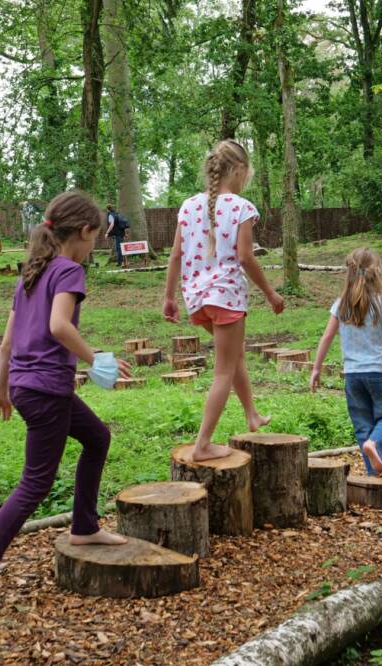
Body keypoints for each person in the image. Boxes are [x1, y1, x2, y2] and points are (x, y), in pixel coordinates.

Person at [0, 191, 131, 610]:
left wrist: (1, 390)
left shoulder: (31, 275)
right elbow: (58, 326)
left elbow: (5, 344)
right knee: (35, 483)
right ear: (84, 232)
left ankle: (85, 525)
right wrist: (97, 357)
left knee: (97, 438)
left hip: (27, 386)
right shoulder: (69, 271)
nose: (97, 246)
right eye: (97, 238)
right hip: (47, 390)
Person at [162, 139, 284, 461]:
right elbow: (245, 257)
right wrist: (271, 293)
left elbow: (175, 255)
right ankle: (203, 444)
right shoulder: (242, 207)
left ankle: (251, 414)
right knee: (223, 371)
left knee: (235, 357)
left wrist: (169, 297)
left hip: (197, 301)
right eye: (247, 174)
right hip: (226, 297)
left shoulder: (188, 206)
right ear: (240, 170)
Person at [309, 248, 382, 476]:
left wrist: (316, 368)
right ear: (376, 272)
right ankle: (373, 447)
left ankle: (378, 471)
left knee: (364, 426)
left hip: (352, 374)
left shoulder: (341, 305)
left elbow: (327, 337)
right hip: (379, 373)